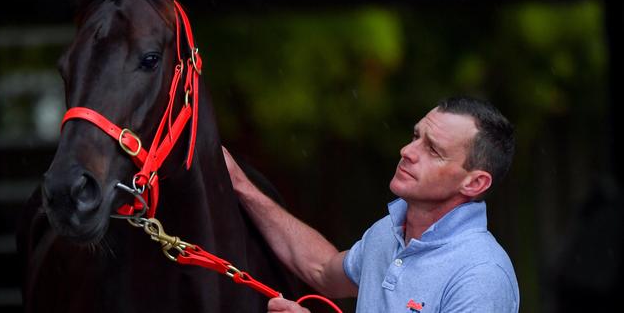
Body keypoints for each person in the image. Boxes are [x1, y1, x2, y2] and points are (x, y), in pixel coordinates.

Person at [222, 96, 519, 312]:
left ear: (474, 183)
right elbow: (322, 270)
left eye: (433, 150)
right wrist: (241, 185)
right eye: (416, 137)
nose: (407, 151)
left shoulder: (481, 274)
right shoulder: (387, 233)